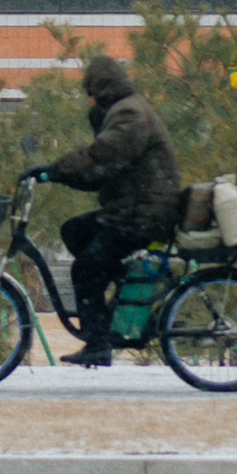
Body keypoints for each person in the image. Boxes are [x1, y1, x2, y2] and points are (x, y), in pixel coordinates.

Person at [41, 55, 182, 367]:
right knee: (74, 230)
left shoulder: (130, 114)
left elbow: (101, 156)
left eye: (88, 92)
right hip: (133, 211)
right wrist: (59, 176)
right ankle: (121, 290)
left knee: (85, 270)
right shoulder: (122, 111)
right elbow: (100, 173)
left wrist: (54, 169)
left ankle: (98, 344)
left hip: (143, 216)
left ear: (100, 89)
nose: (88, 99)